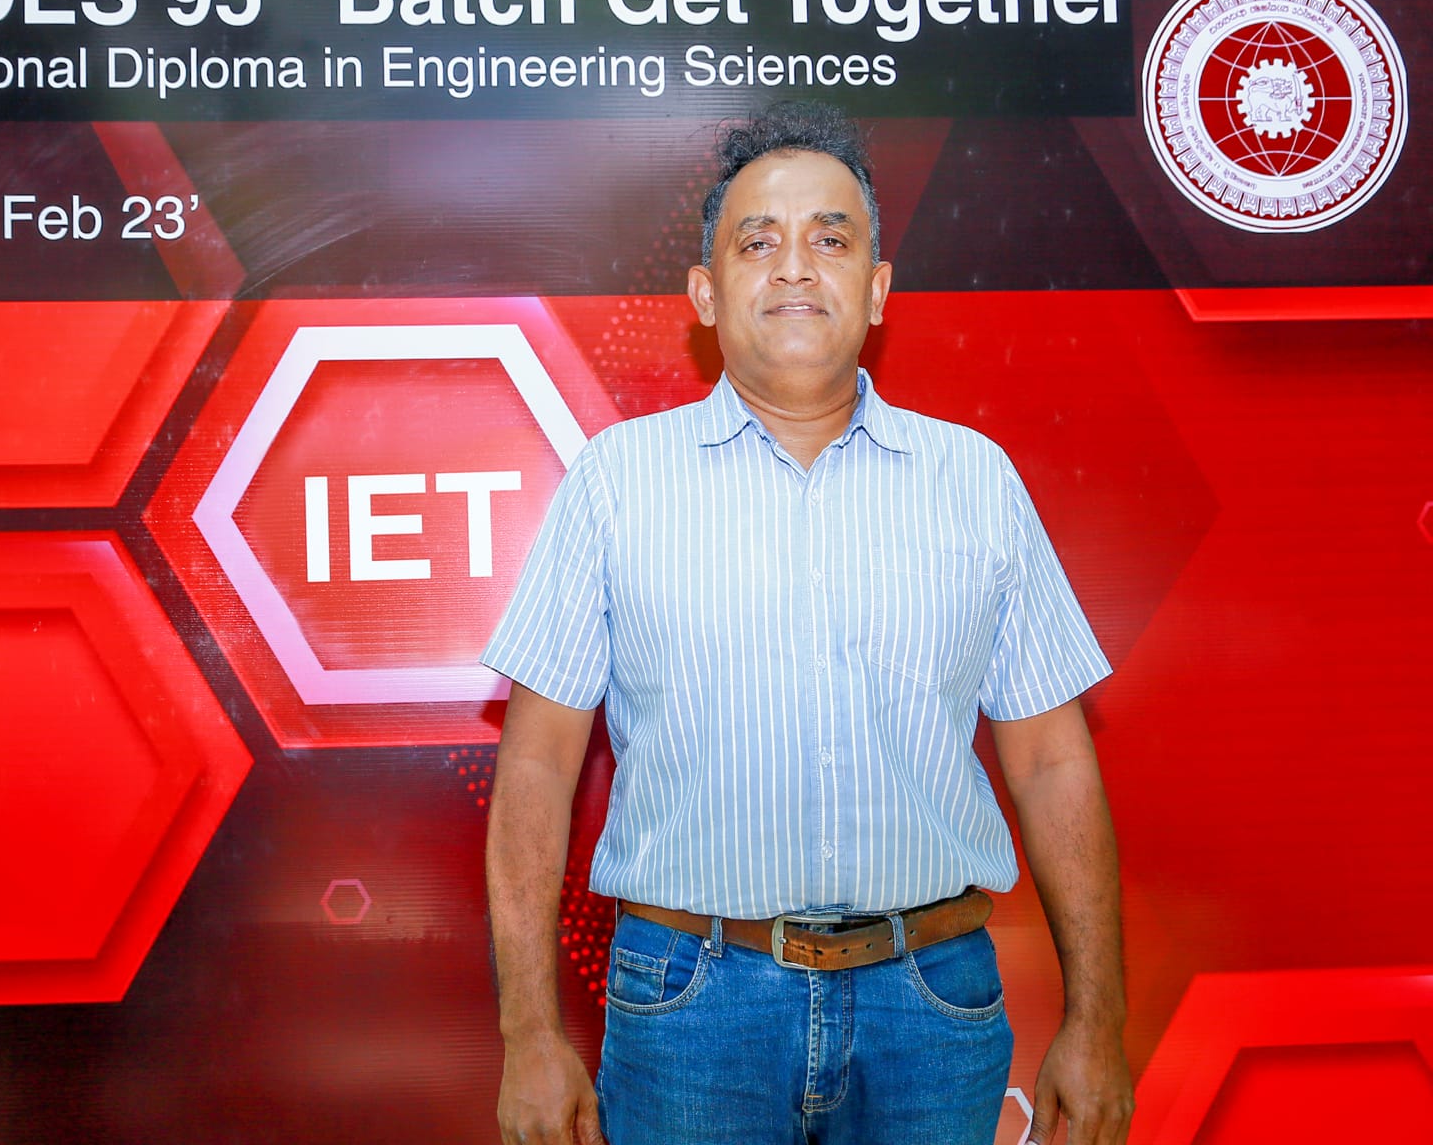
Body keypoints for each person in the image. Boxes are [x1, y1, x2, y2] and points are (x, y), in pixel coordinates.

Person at [483, 101, 1133, 1145]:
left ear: (875, 290)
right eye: (758, 242)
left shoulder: (974, 481)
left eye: (831, 239)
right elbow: (537, 769)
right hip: (689, 1006)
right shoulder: (616, 485)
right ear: (705, 292)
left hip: (934, 1004)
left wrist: (1098, 1021)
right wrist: (526, 1035)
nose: (795, 267)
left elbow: (1053, 762)